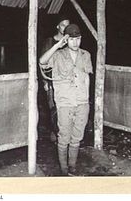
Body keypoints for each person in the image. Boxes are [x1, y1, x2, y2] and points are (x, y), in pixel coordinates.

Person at [39, 24, 93, 176]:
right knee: (63, 137)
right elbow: (42, 62)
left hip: (82, 102)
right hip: (64, 103)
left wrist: (86, 100)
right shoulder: (57, 55)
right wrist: (57, 45)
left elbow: (87, 78)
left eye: (78, 39)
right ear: (66, 40)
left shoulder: (86, 55)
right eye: (72, 39)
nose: (75, 42)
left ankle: (72, 167)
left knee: (77, 137)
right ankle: (63, 170)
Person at [40, 17, 70, 142]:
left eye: (67, 25)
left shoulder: (71, 41)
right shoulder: (50, 41)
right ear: (57, 26)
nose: (65, 28)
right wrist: (45, 81)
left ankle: (65, 134)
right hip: (52, 81)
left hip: (67, 81)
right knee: (54, 108)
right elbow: (42, 63)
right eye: (63, 25)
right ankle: (56, 133)